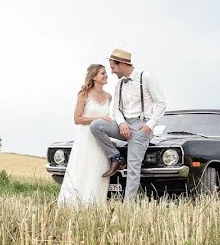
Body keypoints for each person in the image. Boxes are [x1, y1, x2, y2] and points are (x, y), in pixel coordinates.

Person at [89, 48, 167, 201]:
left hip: (141, 127)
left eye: (113, 67)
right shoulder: (119, 84)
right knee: (96, 125)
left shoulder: (146, 77)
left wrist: (149, 125)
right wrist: (122, 122)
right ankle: (116, 157)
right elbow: (116, 108)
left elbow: (161, 103)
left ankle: (128, 206)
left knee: (133, 168)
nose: (111, 72)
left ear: (122, 64)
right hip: (124, 125)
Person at [57, 64, 115, 206]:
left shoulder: (109, 96)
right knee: (82, 169)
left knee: (98, 171)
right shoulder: (83, 94)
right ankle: (74, 203)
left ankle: (94, 204)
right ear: (94, 77)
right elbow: (77, 119)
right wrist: (99, 119)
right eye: (103, 73)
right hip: (86, 139)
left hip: (101, 140)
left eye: (106, 73)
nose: (106, 75)